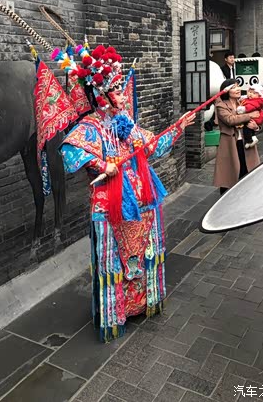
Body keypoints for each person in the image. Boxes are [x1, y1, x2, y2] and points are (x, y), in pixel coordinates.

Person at [58, 44, 195, 342]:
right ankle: (115, 315)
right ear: (101, 95)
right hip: (110, 205)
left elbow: (153, 145)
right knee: (114, 263)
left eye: (121, 91)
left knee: (145, 255)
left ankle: (144, 304)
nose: (122, 97)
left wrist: (177, 128)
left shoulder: (126, 124)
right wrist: (100, 164)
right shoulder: (90, 126)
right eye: (117, 91)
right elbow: (69, 153)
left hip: (143, 199)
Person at [214, 79, 260, 195]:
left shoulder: (243, 103)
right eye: (234, 87)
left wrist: (256, 127)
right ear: (226, 91)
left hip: (246, 142)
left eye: (238, 86)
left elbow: (257, 118)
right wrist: (249, 115)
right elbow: (230, 120)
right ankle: (226, 199)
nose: (238, 89)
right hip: (230, 144)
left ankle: (243, 197)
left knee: (246, 170)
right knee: (229, 174)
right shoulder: (221, 105)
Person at [236, 84, 263, 149]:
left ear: (259, 95)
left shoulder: (254, 101)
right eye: (250, 92)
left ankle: (249, 141)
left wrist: (242, 109)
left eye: (254, 93)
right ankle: (252, 138)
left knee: (247, 127)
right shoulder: (247, 99)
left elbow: (249, 108)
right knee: (248, 128)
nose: (251, 94)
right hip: (237, 136)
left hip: (254, 119)